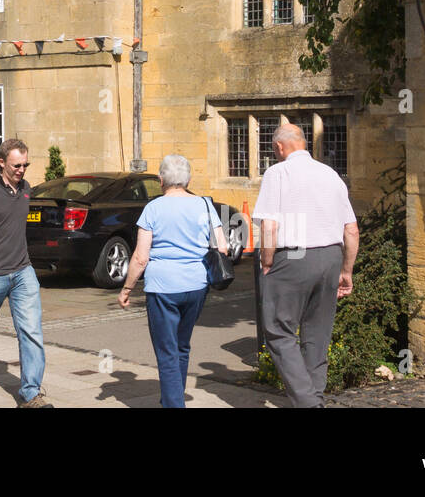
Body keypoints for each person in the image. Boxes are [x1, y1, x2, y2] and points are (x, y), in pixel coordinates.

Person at [254, 123, 359, 408]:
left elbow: (270, 225)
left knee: (278, 330)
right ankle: (315, 399)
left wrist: (266, 262)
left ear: (279, 147)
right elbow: (351, 229)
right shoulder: (330, 174)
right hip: (330, 256)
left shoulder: (277, 172)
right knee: (317, 333)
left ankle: (308, 403)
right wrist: (346, 271)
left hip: (293, 257)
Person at [118, 154, 229, 407]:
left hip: (163, 288)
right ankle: (173, 397)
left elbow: (140, 257)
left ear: (160, 180)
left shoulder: (153, 208)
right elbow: (222, 247)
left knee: (167, 352)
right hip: (197, 286)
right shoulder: (204, 205)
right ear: (188, 179)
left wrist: (127, 289)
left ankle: (173, 402)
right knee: (181, 346)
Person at [0, 138, 50, 408]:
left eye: (25, 164)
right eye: (17, 165)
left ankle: (30, 393)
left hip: (23, 271)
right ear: (1, 163)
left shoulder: (25, 188)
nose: (22, 170)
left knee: (31, 332)